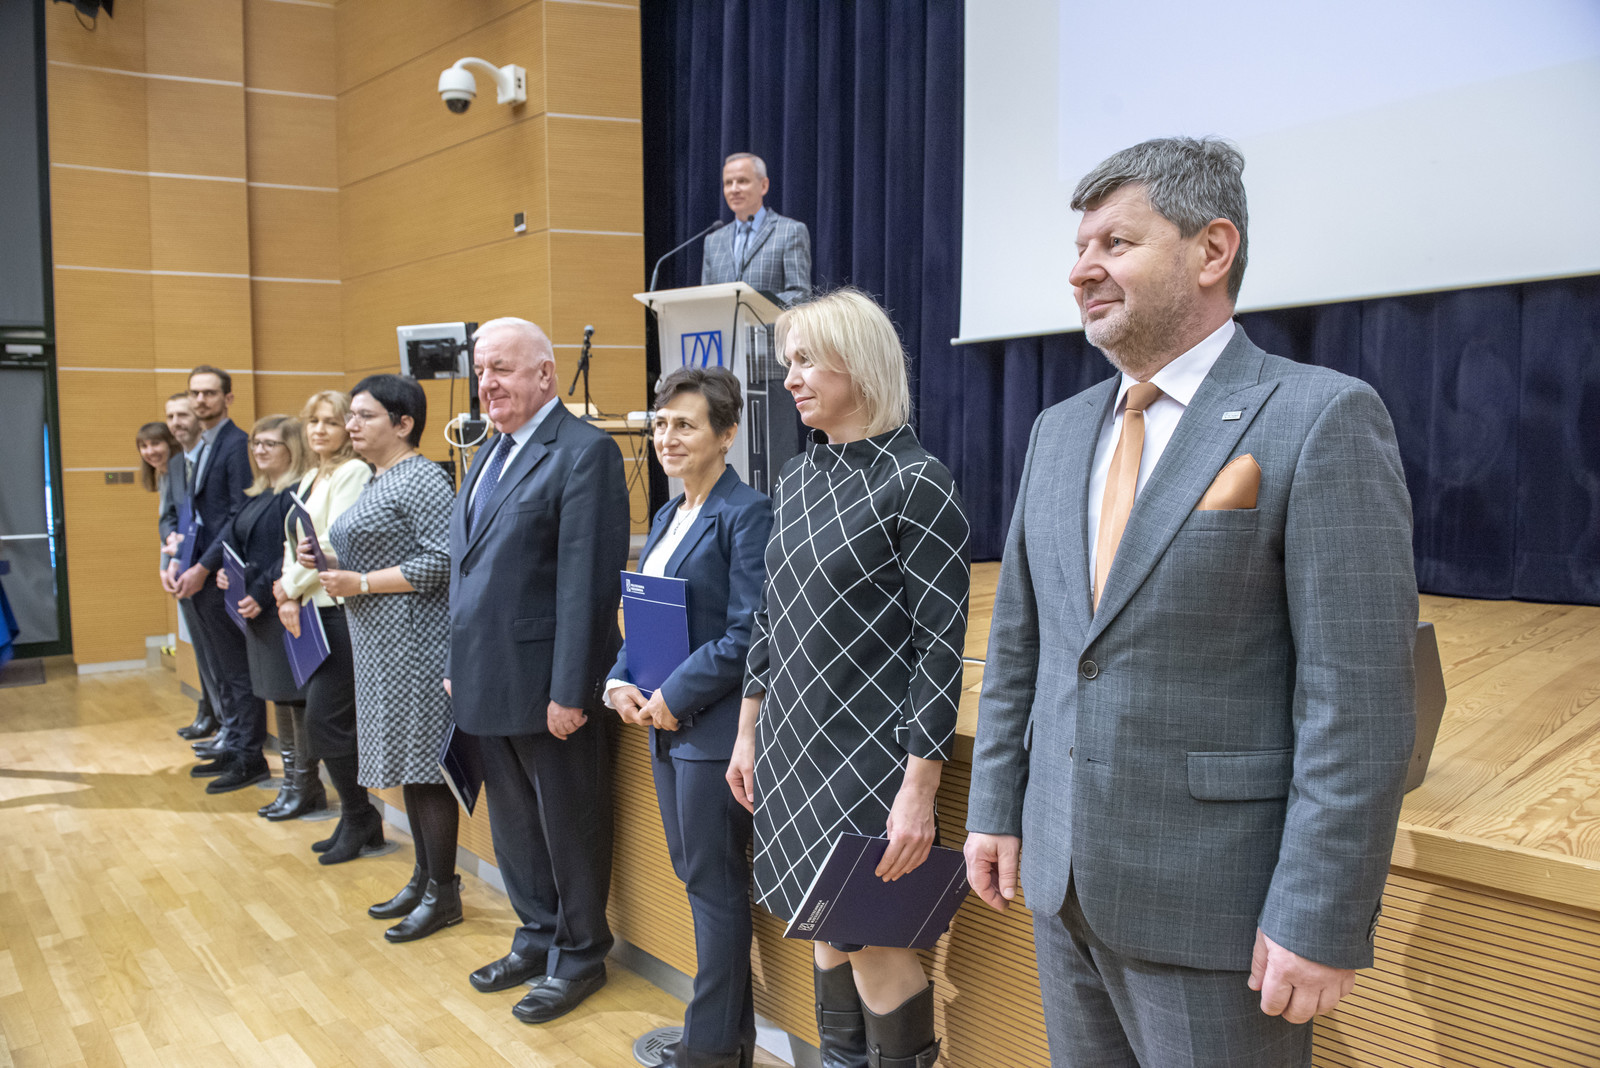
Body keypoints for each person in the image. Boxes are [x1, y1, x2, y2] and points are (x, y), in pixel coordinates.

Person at [963, 137, 1418, 1068]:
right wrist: (996, 806)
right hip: (1061, 886)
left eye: (1116, 244)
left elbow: (1359, 701)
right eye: (1079, 248)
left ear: (1212, 250)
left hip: (1221, 915)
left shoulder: (1320, 417)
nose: (1081, 270)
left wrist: (1320, 912)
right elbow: (1023, 649)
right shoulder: (1057, 432)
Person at [727, 288, 970, 1067]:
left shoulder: (917, 480)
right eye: (787, 362)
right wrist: (748, 733)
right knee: (822, 927)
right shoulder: (800, 476)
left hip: (869, 758)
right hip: (794, 747)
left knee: (873, 941)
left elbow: (940, 649)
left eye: (805, 360)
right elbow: (770, 616)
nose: (790, 379)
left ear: (857, 362)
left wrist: (920, 789)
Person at [444, 317, 629, 1025]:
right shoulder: (489, 452)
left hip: (550, 688)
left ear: (545, 374)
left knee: (569, 830)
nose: (487, 383)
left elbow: (587, 584)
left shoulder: (585, 452)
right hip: (486, 679)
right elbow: (468, 573)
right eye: (480, 371)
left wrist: (570, 690)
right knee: (516, 831)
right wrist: (458, 665)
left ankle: (580, 957)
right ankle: (537, 936)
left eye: (502, 368)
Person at [606, 367, 773, 1068]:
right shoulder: (668, 515)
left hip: (711, 731)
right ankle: (729, 1043)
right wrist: (619, 680)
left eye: (685, 425)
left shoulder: (747, 512)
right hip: (664, 723)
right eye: (660, 423)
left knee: (713, 888)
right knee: (701, 881)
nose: (667, 437)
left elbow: (748, 632)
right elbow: (644, 616)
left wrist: (674, 693)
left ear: (726, 434)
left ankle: (708, 1050)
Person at [316, 375, 460, 943]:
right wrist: (333, 562)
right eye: (350, 415)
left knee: (425, 772)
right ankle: (424, 878)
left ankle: (444, 892)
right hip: (382, 645)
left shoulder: (421, 477)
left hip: (417, 645)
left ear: (403, 424)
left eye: (365, 415)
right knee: (408, 769)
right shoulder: (380, 477)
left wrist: (362, 582)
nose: (351, 425)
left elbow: (444, 560)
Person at [271, 391, 371, 824]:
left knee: (326, 723)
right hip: (311, 608)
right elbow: (293, 542)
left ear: (347, 427)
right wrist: (289, 594)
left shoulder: (354, 471)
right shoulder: (313, 474)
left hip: (338, 610)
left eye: (331, 421)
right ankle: (357, 819)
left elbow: (331, 541)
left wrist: (288, 586)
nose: (319, 430)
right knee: (320, 723)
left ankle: (360, 817)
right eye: (313, 421)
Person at [208, 415, 311, 794]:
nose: (259, 450)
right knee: (277, 695)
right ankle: (291, 783)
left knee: (294, 698)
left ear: (292, 449)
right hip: (257, 610)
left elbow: (288, 554)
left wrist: (262, 592)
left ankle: (303, 785)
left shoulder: (296, 493)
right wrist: (227, 573)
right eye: (256, 443)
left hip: (281, 605)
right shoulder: (259, 492)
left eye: (270, 444)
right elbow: (238, 546)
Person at [171, 367, 263, 783]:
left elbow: (236, 515)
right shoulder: (205, 444)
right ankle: (232, 744)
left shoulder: (236, 443)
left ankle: (249, 757)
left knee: (237, 670)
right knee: (219, 668)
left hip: (222, 573)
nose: (200, 400)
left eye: (209, 393)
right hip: (200, 571)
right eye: (195, 393)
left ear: (228, 398)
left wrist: (202, 566)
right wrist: (181, 560)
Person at [159, 392, 220, 742]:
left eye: (182, 415)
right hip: (184, 569)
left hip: (212, 569)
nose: (176, 423)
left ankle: (225, 722)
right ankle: (211, 712)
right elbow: (171, 515)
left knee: (220, 656)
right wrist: (171, 554)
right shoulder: (176, 464)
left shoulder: (215, 458)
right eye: (170, 417)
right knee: (202, 651)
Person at [701, 152, 812, 308]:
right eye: (728, 183)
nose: (734, 189)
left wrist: (753, 306)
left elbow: (800, 295)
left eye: (742, 181)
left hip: (771, 324)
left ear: (763, 185)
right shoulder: (713, 241)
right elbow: (705, 299)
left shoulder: (790, 231)